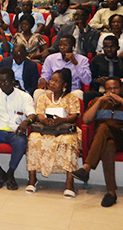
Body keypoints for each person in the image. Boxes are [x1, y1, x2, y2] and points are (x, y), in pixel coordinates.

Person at [72, 78, 123, 207]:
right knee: (108, 145)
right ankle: (111, 192)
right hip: (103, 140)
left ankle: (86, 168)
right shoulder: (98, 102)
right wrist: (99, 101)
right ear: (104, 91)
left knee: (103, 127)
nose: (112, 91)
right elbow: (85, 120)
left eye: (115, 88)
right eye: (109, 89)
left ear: (121, 89)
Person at [0, 67, 36, 191]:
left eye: (6, 81)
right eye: (0, 81)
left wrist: (26, 122)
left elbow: (32, 115)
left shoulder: (24, 97)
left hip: (15, 131)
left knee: (20, 141)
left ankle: (10, 173)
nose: (3, 84)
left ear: (13, 81)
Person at [26, 68, 82, 198]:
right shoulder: (43, 98)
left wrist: (63, 120)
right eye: (51, 80)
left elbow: (75, 116)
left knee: (68, 141)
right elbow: (39, 114)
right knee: (33, 138)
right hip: (46, 128)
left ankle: (69, 182)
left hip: (65, 129)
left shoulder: (72, 98)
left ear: (64, 85)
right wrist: (44, 120)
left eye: (56, 81)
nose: (52, 83)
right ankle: (32, 179)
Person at [36, 35, 90, 102]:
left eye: (65, 45)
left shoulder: (82, 60)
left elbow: (87, 81)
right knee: (38, 92)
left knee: (79, 94)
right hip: (53, 92)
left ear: (73, 46)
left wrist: (76, 63)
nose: (62, 47)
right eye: (60, 45)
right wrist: (42, 79)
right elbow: (45, 76)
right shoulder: (51, 58)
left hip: (72, 91)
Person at [88, 35, 123, 106]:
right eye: (106, 47)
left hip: (120, 91)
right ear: (103, 48)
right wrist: (97, 81)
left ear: (118, 48)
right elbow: (90, 79)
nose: (109, 49)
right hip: (102, 91)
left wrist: (117, 88)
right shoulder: (97, 60)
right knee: (88, 94)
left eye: (112, 47)